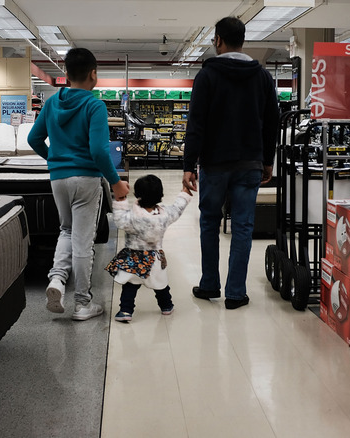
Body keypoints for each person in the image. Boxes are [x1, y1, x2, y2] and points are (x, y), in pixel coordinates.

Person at [182, 16, 280, 310]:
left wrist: (189, 164)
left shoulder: (207, 76)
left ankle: (210, 284)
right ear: (242, 40)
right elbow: (271, 122)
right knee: (242, 227)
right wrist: (267, 161)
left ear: (218, 40)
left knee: (210, 222)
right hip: (250, 162)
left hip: (214, 163)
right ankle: (236, 292)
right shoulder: (262, 77)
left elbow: (196, 122)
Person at [27, 47, 130, 321]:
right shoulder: (94, 105)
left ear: (66, 74)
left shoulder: (50, 103)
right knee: (84, 241)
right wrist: (116, 182)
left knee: (66, 230)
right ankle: (83, 303)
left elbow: (33, 139)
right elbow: (98, 151)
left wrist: (55, 160)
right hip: (86, 179)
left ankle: (57, 280)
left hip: (58, 179)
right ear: (93, 74)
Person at [105, 174, 192, 322]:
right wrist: (185, 191)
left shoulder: (132, 217)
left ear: (137, 194)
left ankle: (126, 311)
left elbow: (119, 220)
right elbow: (178, 207)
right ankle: (166, 306)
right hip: (155, 258)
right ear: (161, 195)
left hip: (134, 259)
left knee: (130, 285)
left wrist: (121, 200)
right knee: (161, 285)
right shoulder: (166, 215)